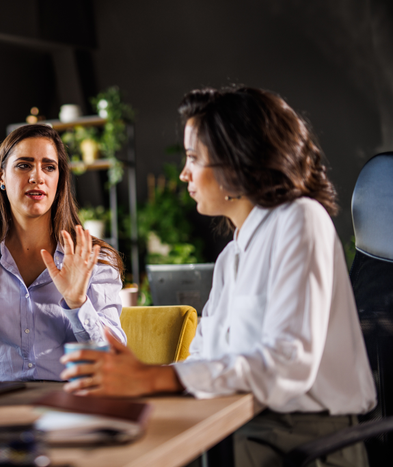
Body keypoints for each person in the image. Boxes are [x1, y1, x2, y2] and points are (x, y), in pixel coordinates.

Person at [60, 87, 376, 466]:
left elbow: (289, 362)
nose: (183, 173)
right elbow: (202, 355)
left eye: (194, 157)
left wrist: (158, 380)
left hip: (306, 439)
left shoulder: (301, 220)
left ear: (236, 161)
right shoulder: (231, 259)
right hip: (242, 424)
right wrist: (139, 378)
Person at [0, 124, 126, 381]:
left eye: (49, 167)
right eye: (24, 165)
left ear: (59, 179)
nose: (37, 177)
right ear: (1, 177)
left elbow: (113, 356)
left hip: (71, 403)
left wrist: (78, 302)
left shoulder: (93, 260)